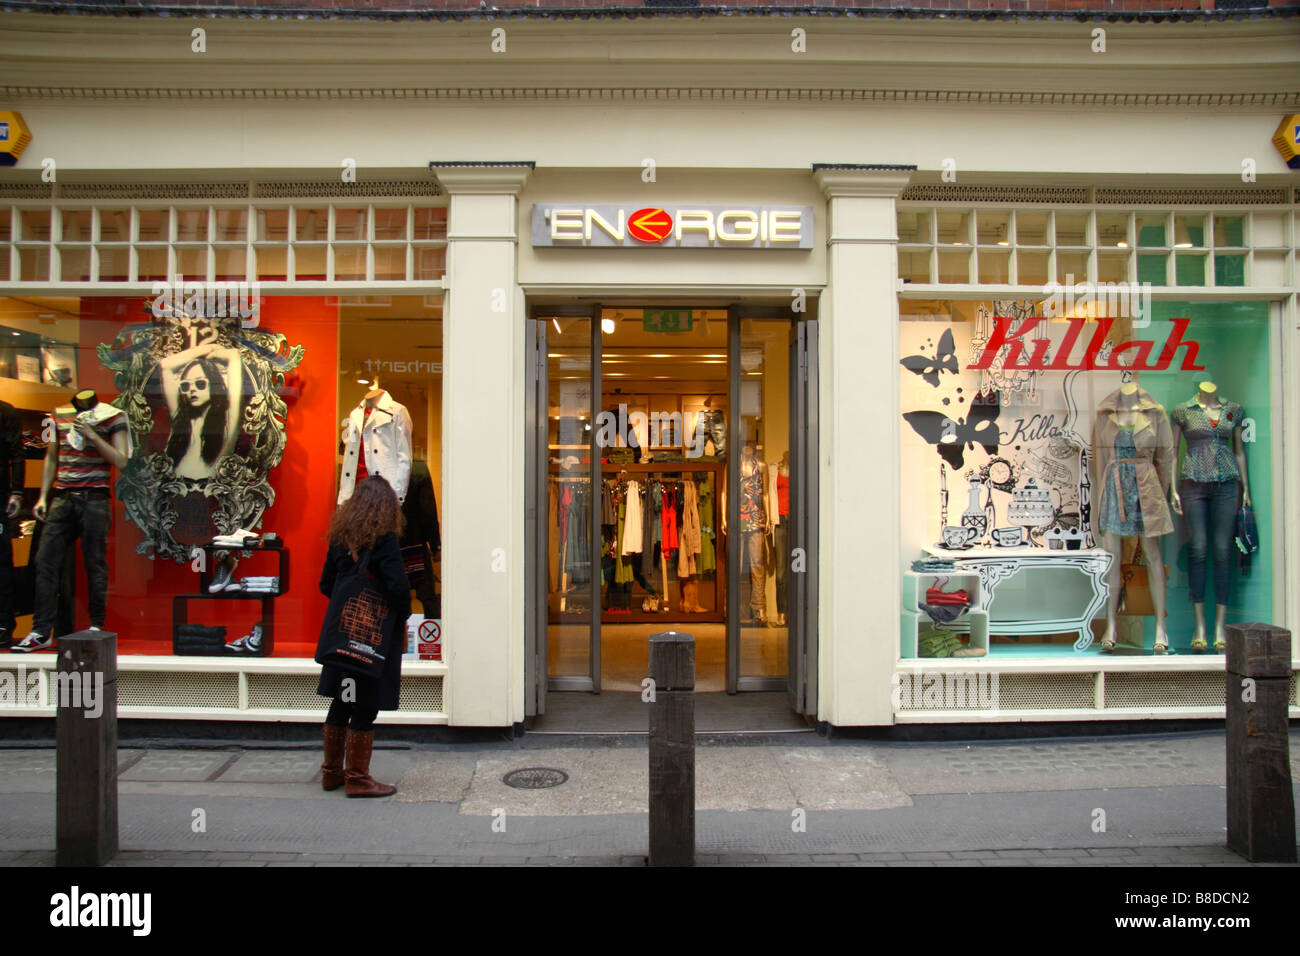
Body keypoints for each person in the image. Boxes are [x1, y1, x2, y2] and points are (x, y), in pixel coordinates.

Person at [315, 477, 410, 798]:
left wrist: (350, 600)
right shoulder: (385, 540)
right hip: (371, 637)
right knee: (366, 704)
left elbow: (326, 585)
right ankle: (358, 778)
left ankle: (331, 773)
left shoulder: (339, 538)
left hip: (342, 634)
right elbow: (397, 587)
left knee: (343, 700)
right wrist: (402, 615)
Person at [159, 342, 243, 481]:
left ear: (213, 384)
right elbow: (165, 365)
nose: (192, 390)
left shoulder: (228, 422)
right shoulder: (180, 422)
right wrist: (205, 349)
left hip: (212, 496)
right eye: (185, 386)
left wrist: (212, 352)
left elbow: (233, 356)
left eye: (200, 383)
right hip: (177, 495)